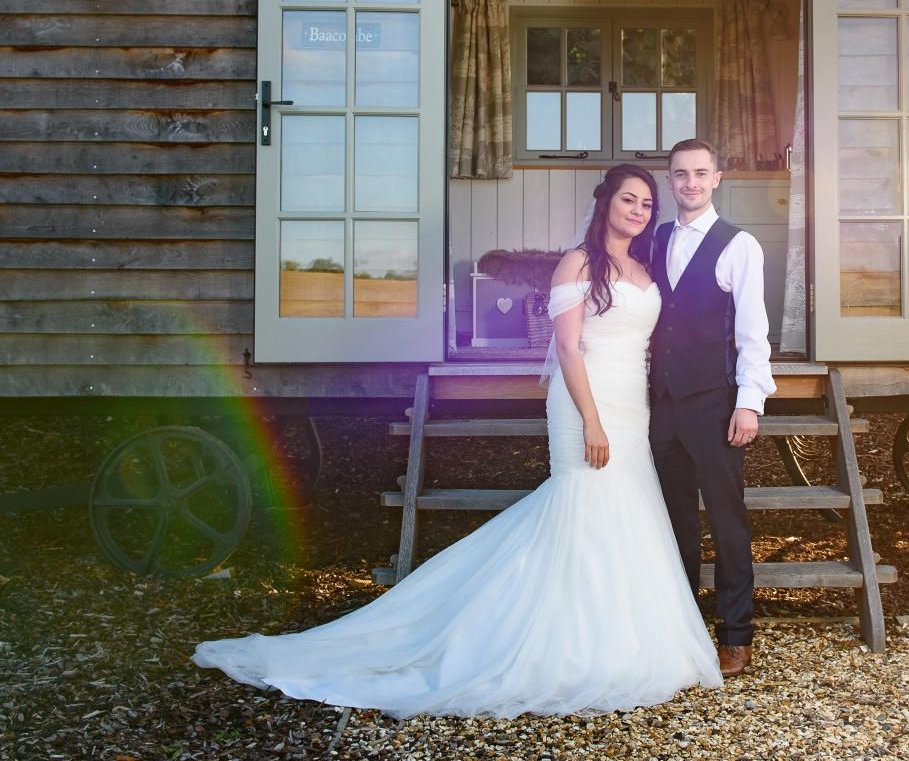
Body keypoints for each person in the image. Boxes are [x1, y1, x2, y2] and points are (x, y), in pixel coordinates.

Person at [192, 164, 721, 717]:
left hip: (631, 402)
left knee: (627, 510)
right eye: (627, 199)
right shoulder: (578, 263)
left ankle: (621, 637)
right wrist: (591, 419)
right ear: (606, 201)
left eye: (644, 204)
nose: (636, 211)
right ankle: (557, 643)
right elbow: (567, 349)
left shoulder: (642, 265)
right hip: (586, 401)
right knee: (583, 506)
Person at [648, 138, 775, 678]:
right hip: (662, 406)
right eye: (680, 174)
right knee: (674, 518)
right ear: (670, 180)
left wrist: (749, 404)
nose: (690, 183)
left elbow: (753, 333)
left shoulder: (738, 244)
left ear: (718, 178)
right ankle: (679, 628)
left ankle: (735, 635)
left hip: (715, 405)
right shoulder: (654, 239)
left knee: (727, 521)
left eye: (701, 173)